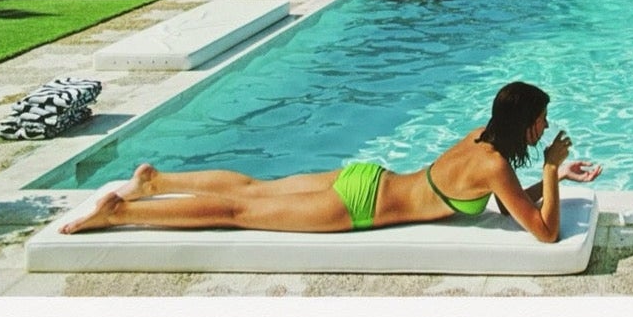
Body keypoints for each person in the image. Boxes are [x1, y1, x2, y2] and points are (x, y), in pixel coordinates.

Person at [60, 80, 602, 240]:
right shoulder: (494, 167)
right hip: (359, 205)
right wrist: (552, 170)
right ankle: (123, 212)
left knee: (251, 187)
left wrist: (547, 178)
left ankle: (155, 181)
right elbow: (543, 232)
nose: (546, 128)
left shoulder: (481, 139)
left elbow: (507, 208)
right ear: (526, 123)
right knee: (236, 214)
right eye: (543, 121)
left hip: (366, 177)